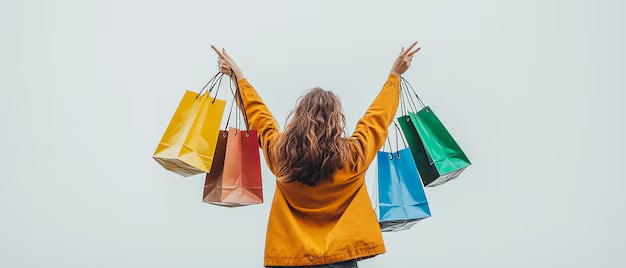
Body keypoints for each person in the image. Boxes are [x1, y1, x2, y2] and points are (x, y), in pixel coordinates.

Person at [211, 42, 420, 268]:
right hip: (340, 259)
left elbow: (259, 118)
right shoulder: (353, 155)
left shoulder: (281, 155)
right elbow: (377, 118)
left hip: (289, 260)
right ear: (336, 122)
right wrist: (394, 76)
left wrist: (239, 78)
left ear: (298, 118)